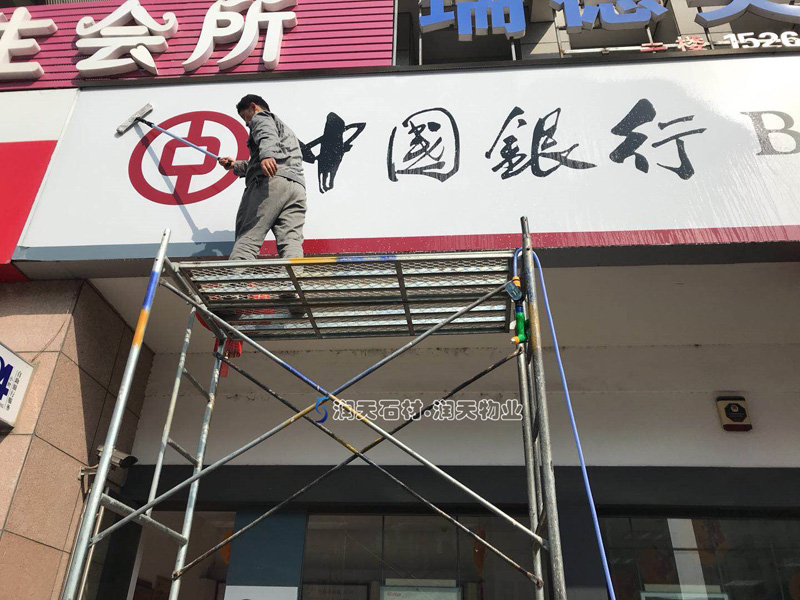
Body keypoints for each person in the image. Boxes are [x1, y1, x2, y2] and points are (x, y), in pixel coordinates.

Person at [219, 94, 307, 261]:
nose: (247, 123)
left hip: (270, 182)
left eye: (245, 117)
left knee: (249, 235)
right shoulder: (286, 131)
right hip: (296, 187)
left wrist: (267, 155)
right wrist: (236, 165)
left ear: (254, 107)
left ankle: (238, 275)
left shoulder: (261, 117)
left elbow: (267, 137)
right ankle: (296, 274)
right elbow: (267, 161)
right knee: (291, 239)